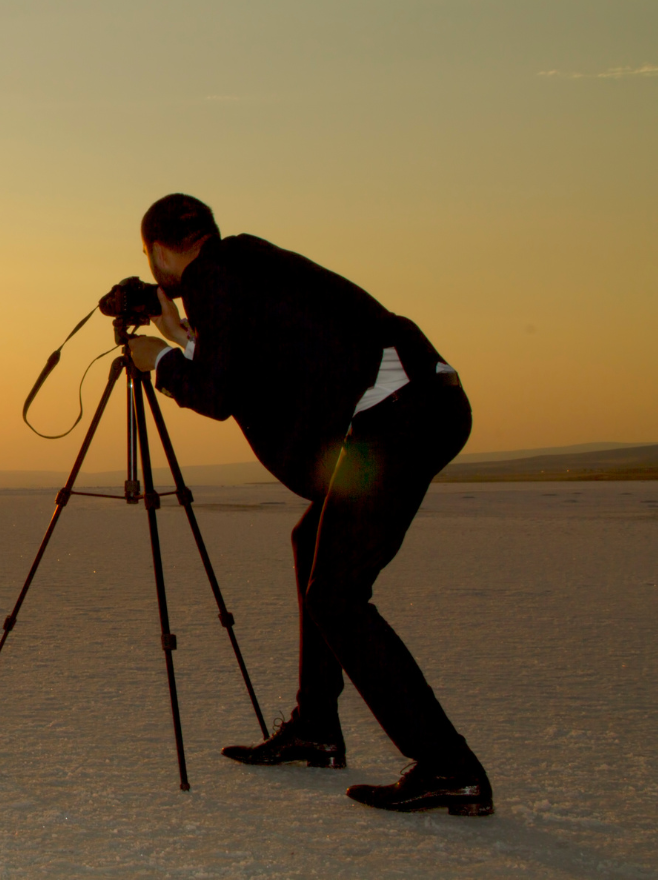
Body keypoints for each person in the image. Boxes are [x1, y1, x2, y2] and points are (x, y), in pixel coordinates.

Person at [126, 194, 492, 816]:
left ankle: (449, 767)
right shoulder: (246, 264)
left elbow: (216, 393)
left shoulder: (214, 274)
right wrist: (181, 336)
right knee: (312, 545)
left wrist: (157, 361)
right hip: (418, 407)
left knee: (337, 595)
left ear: (160, 251)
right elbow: (249, 361)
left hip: (399, 419)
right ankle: (317, 728)